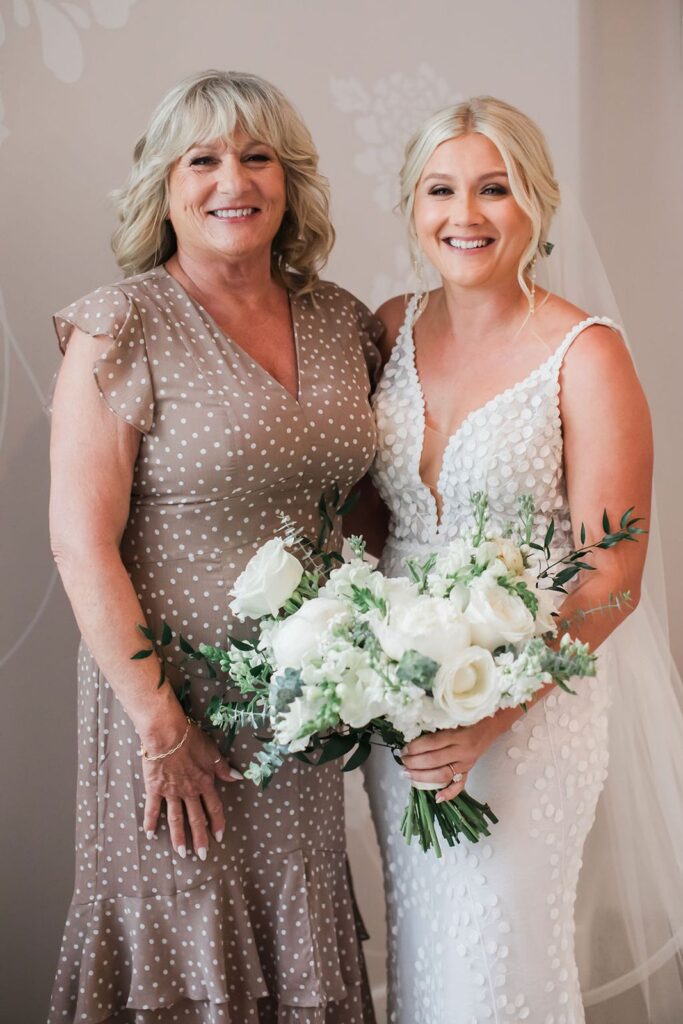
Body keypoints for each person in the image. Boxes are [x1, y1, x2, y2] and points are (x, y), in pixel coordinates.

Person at [48, 70, 381, 1024]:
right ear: (165, 184)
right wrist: (162, 730)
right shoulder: (121, 324)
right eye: (203, 158)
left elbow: (365, 500)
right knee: (179, 955)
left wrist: (362, 651)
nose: (232, 179)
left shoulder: (339, 319)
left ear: (289, 182)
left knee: (297, 942)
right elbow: (79, 542)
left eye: (257, 156)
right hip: (168, 716)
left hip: (300, 714)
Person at [361, 96, 682, 1023]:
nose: (465, 214)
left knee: (499, 960)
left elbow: (611, 572)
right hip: (403, 692)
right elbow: (365, 522)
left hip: (533, 703)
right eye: (442, 189)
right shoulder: (389, 326)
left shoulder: (585, 355)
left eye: (493, 189)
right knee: (425, 949)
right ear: (413, 205)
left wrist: (493, 711)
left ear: (535, 203)